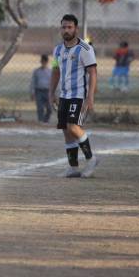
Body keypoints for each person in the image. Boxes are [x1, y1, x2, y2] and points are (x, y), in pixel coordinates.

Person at [49, 14, 99, 178]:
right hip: (64, 95)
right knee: (65, 130)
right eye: (64, 27)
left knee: (73, 126)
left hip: (78, 95)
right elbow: (56, 72)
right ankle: (73, 167)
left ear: (76, 29)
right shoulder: (57, 49)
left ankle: (91, 159)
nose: (66, 30)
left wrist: (90, 97)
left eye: (69, 27)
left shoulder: (85, 49)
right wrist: (51, 93)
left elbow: (93, 73)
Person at [30, 54, 52, 123]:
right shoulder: (36, 71)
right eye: (42, 61)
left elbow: (53, 83)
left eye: (45, 62)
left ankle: (46, 120)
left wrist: (54, 93)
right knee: (40, 108)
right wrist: (32, 92)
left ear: (47, 62)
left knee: (49, 108)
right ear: (41, 62)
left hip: (48, 91)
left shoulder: (50, 72)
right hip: (39, 91)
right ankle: (40, 120)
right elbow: (33, 82)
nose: (43, 63)